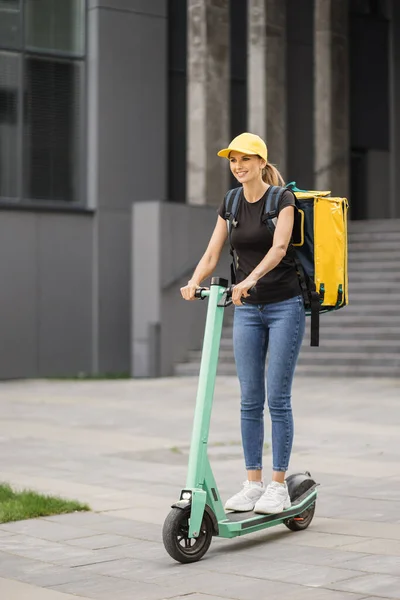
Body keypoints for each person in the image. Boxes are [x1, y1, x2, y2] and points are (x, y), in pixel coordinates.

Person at [180, 132, 305, 514]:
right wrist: (195, 280)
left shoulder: (282, 199)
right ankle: (253, 484)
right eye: (233, 160)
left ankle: (278, 486)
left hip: (285, 304)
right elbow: (213, 251)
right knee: (250, 399)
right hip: (247, 310)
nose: (238, 166)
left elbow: (280, 247)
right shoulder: (230, 202)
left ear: (261, 163)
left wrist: (250, 279)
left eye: (245, 159)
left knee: (277, 398)